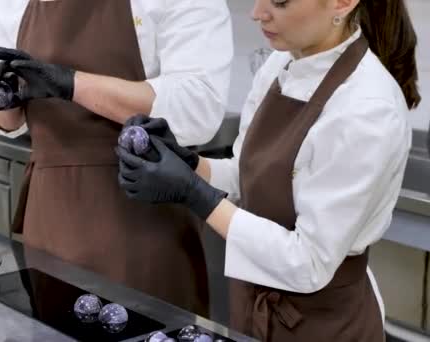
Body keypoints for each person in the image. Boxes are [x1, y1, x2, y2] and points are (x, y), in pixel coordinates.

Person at [116, 0, 421, 340]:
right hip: (252, 305)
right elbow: (245, 174)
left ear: (342, 3)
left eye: (279, 1)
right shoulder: (281, 63)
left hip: (324, 326)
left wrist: (194, 194)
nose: (257, 13)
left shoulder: (368, 108)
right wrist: (189, 164)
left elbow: (309, 262)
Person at [0, 0, 234, 316]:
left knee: (147, 328)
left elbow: (196, 108)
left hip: (142, 213)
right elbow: (11, 122)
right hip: (50, 215)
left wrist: (72, 84)